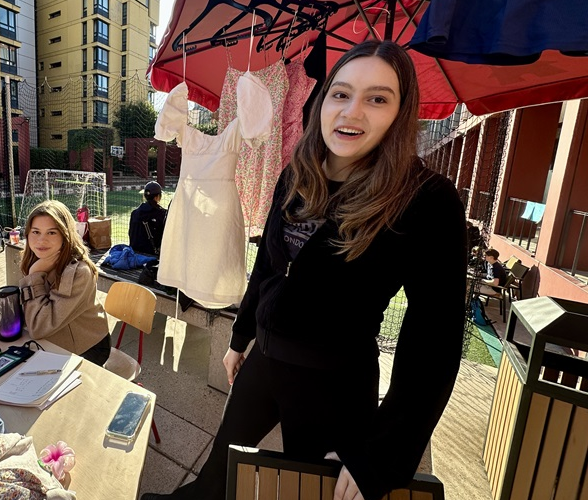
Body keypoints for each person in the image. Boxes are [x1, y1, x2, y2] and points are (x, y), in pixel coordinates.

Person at [141, 40, 467, 500]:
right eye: (341, 93)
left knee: (310, 493)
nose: (352, 111)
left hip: (335, 385)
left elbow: (434, 341)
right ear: (323, 101)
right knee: (217, 475)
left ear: (401, 112)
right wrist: (241, 338)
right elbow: (270, 269)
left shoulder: (425, 200)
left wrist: (381, 454)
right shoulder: (298, 173)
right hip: (266, 360)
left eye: (377, 98)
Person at [18, 200, 112, 366]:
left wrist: (34, 276)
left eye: (52, 233)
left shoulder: (77, 272)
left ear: (65, 235)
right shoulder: (39, 259)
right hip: (52, 341)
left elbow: (39, 327)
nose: (41, 240)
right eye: (36, 232)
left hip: (87, 347)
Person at [128, 181, 168, 255]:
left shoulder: (134, 213)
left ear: (144, 196)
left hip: (134, 253)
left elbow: (130, 234)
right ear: (158, 197)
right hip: (151, 255)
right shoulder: (162, 214)